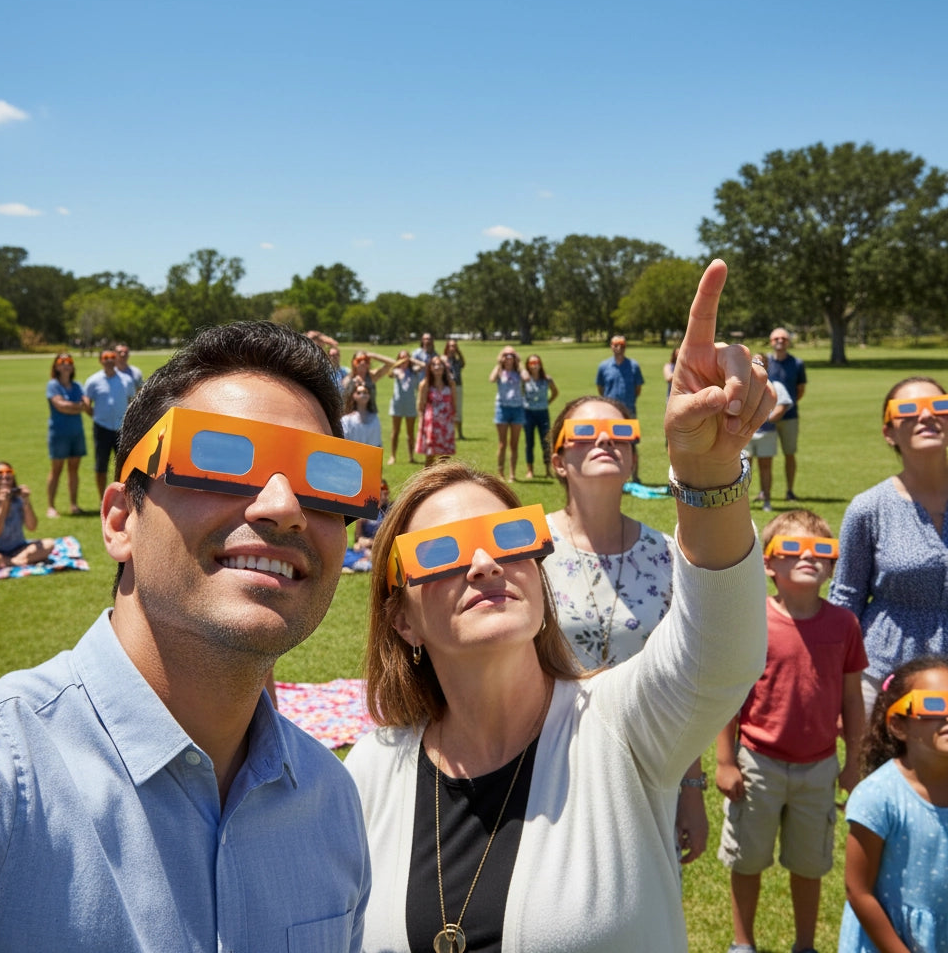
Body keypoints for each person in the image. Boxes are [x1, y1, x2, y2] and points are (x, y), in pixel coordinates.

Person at [345, 259, 773, 952]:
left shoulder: (621, 728)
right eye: (440, 552)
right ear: (401, 616)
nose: (483, 561)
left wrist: (709, 473)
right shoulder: (370, 770)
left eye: (508, 539)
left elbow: (718, 652)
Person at [0, 321, 377, 950]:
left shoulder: (330, 803)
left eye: (328, 476)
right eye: (220, 456)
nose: (281, 505)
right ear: (118, 521)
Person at [543, 392, 711, 866]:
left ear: (634, 455)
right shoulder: (526, 549)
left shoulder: (667, 555)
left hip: (645, 767)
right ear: (558, 460)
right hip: (548, 765)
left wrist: (692, 787)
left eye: (620, 434)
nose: (604, 439)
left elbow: (683, 680)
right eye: (583, 433)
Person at [716, 509, 867, 953]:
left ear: (833, 566)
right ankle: (743, 943)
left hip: (819, 767)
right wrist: (725, 761)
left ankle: (805, 944)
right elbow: (730, 698)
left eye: (822, 550)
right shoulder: (753, 620)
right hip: (757, 764)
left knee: (809, 864)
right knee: (747, 860)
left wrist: (853, 761)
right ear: (768, 564)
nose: (808, 556)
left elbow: (852, 701)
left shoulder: (845, 625)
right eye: (793, 548)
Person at [829, 376, 948, 714]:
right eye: (907, 411)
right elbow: (846, 599)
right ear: (888, 432)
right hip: (883, 672)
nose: (926, 417)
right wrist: (837, 678)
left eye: (939, 406)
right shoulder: (869, 508)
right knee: (882, 768)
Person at [839, 654, 948, 952]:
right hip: (887, 942)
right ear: (899, 726)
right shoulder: (880, 795)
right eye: (934, 706)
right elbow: (858, 890)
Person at [0, 461, 56, 571]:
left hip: (19, 548)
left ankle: (10, 562)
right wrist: (3, 506)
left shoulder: (18, 500)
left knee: (49, 544)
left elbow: (32, 527)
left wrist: (26, 501)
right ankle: (16, 561)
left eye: (8, 478)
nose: (4, 481)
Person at [84, 348, 136, 498]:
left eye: (111, 357)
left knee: (124, 465)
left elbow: (131, 401)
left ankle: (123, 497)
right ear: (100, 360)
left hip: (121, 428)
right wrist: (97, 415)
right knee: (101, 466)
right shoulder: (93, 381)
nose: (108, 360)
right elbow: (87, 402)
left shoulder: (126, 380)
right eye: (105, 357)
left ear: (115, 359)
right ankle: (103, 499)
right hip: (102, 428)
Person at [746, 353, 792, 512]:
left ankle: (767, 499)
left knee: (765, 468)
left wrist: (769, 418)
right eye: (754, 361)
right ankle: (742, 502)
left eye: (760, 361)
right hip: (745, 435)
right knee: (744, 469)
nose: (757, 363)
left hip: (767, 434)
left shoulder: (775, 385)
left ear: (766, 364)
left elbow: (783, 404)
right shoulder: (743, 383)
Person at [596, 335, 645, 481]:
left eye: (622, 345)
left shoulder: (633, 366)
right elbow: (600, 387)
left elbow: (638, 388)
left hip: (628, 411)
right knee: (611, 443)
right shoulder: (604, 366)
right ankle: (615, 476)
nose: (619, 347)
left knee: (631, 444)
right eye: (616, 345)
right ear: (611, 346)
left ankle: (635, 476)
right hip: (609, 412)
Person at [45, 351, 87, 517]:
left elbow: (84, 404)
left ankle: (74, 505)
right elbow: (59, 405)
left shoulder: (77, 386)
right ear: (56, 365)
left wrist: (74, 406)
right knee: (56, 470)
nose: (66, 364)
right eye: (62, 361)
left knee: (74, 469)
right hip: (59, 433)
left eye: (69, 361)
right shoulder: (53, 385)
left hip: (76, 432)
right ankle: (51, 506)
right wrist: (77, 406)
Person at [768, 328, 807, 500]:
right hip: (766, 419)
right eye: (776, 338)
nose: (780, 341)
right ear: (771, 341)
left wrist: (786, 406)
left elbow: (800, 390)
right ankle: (764, 492)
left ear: (788, 341)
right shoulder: (765, 362)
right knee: (764, 457)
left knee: (789, 453)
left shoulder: (797, 363)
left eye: (783, 338)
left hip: (790, 417)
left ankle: (790, 491)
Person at [520, 353, 559, 478]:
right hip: (528, 413)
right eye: (531, 363)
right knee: (529, 442)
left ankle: (548, 470)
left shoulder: (547, 379)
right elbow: (519, 394)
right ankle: (530, 470)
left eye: (536, 363)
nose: (534, 365)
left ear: (540, 364)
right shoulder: (524, 380)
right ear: (528, 366)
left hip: (542, 413)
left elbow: (555, 392)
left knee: (546, 442)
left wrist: (547, 402)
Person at [415, 354, 456, 467]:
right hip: (432, 424)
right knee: (430, 455)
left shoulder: (450, 383)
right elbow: (420, 405)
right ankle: (428, 479)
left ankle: (443, 479)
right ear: (430, 368)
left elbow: (454, 403)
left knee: (445, 456)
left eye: (439, 364)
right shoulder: (425, 384)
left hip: (446, 423)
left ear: (444, 367)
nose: (437, 367)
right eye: (434, 365)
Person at [490, 347, 524, 482]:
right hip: (502, 409)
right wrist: (499, 363)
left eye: (511, 355)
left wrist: (519, 362)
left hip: (517, 409)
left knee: (514, 444)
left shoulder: (519, 371)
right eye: (506, 355)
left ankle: (512, 474)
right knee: (502, 444)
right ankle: (501, 473)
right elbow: (491, 379)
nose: (509, 358)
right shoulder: (500, 371)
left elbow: (527, 378)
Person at [388, 350, 425, 465]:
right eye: (401, 358)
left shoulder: (414, 371)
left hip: (410, 405)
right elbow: (389, 373)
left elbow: (424, 366)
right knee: (395, 431)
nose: (404, 360)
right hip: (397, 404)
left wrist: (411, 360)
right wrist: (398, 365)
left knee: (410, 433)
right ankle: (393, 456)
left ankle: (411, 457)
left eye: (406, 358)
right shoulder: (396, 371)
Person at [342, 379, 383, 448]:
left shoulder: (374, 418)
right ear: (353, 396)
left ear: (369, 396)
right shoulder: (347, 420)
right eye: (359, 393)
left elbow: (378, 444)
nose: (362, 395)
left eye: (365, 392)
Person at [443, 340, 466, 440]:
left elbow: (463, 363)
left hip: (458, 386)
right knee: (446, 409)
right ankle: (446, 433)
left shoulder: (457, 361)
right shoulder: (443, 360)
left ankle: (460, 434)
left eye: (454, 346)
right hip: (446, 387)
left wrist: (458, 352)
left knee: (458, 410)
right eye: (451, 346)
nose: (452, 348)